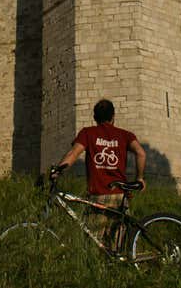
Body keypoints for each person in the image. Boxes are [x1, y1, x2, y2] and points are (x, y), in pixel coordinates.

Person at [51, 99, 147, 246]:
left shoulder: (88, 133)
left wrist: (58, 171)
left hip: (98, 195)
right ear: (113, 116)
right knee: (117, 244)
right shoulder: (125, 135)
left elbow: (73, 153)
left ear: (95, 117)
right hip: (120, 195)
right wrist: (140, 178)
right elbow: (141, 153)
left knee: (94, 244)